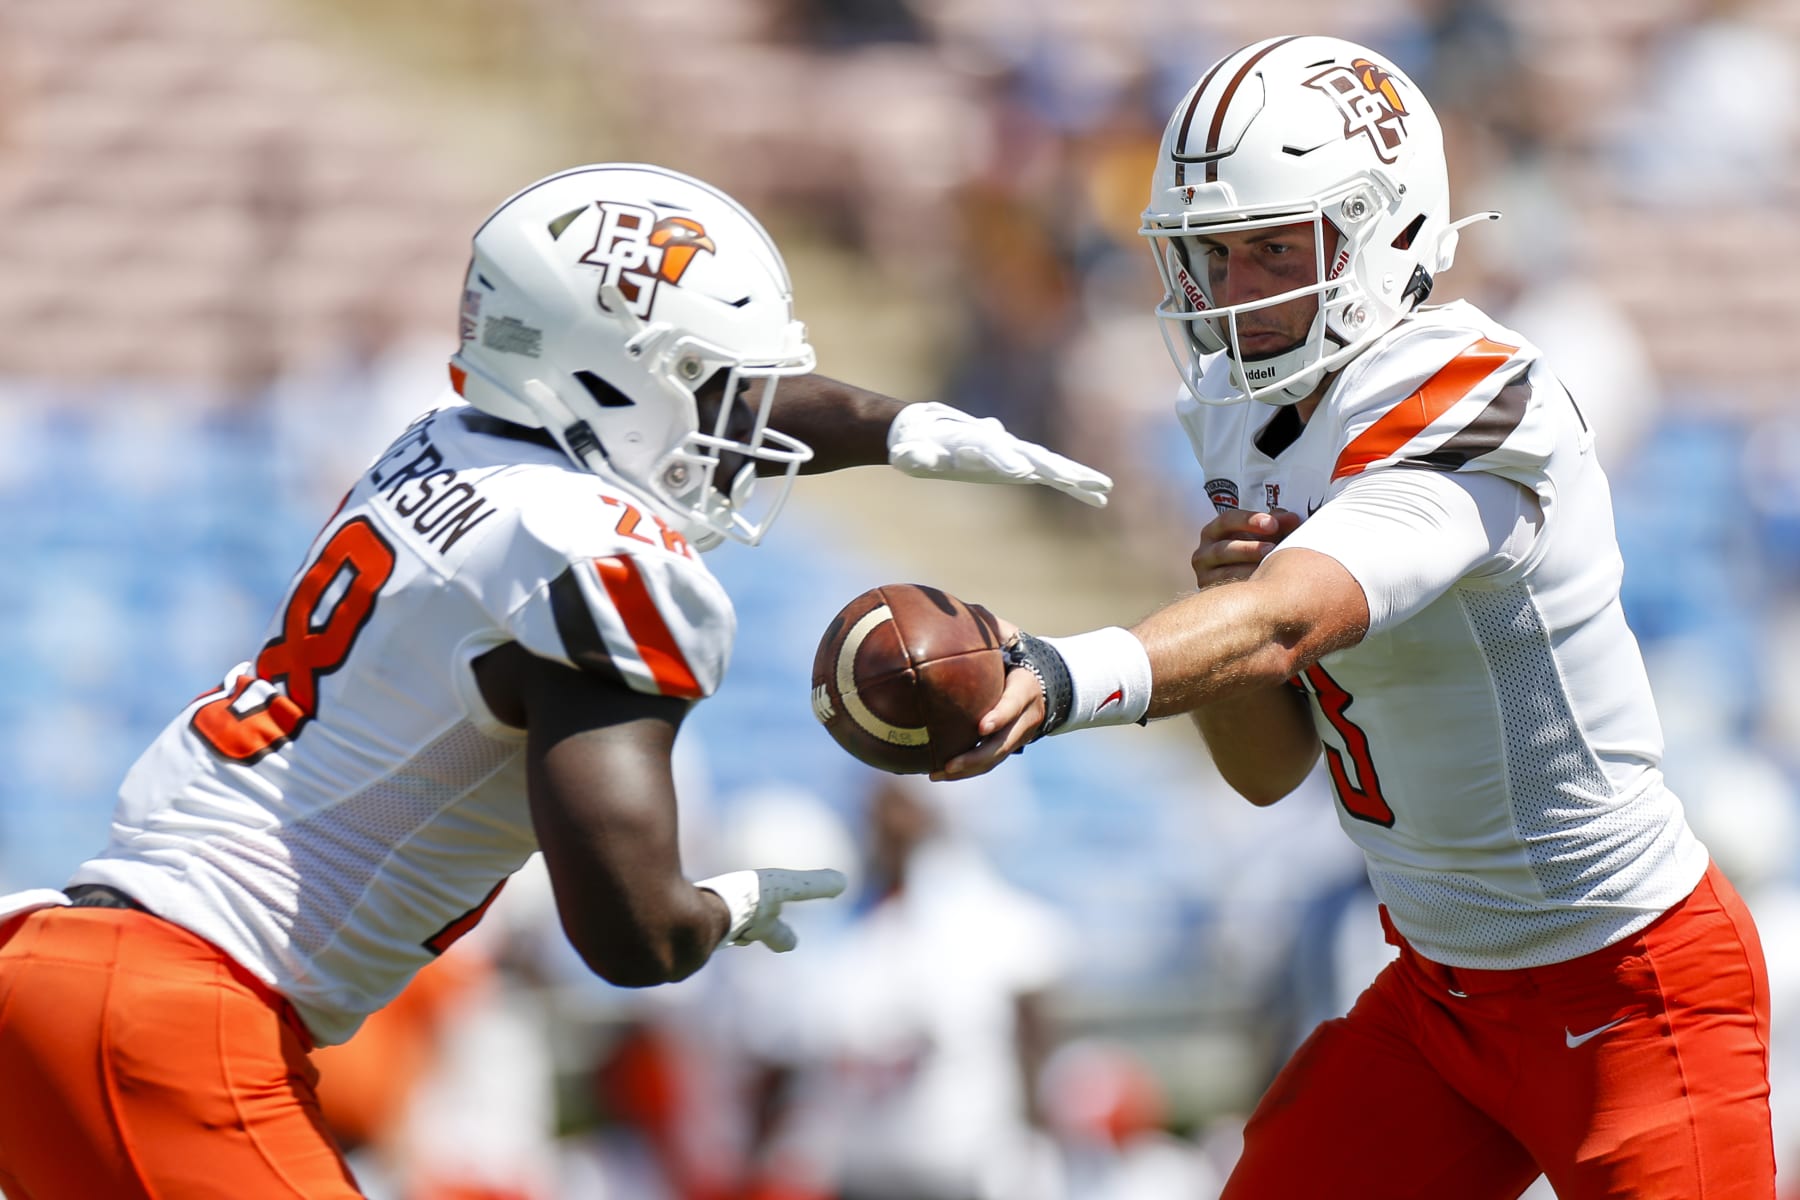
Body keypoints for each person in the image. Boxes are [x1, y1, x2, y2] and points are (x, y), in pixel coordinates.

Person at [0, 162, 1112, 1199]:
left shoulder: (447, 440)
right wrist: (730, 904)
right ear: (612, 375)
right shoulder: (600, 560)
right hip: (177, 1016)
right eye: (715, 384)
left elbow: (668, 402)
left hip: (60, 962)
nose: (745, 422)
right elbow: (632, 936)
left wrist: (897, 424)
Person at [934, 36, 1775, 1200]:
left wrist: (1062, 674)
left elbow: (1286, 625)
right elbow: (1267, 767)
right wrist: (1219, 611)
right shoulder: (1252, 409)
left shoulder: (1478, 393)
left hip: (1628, 991)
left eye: (1272, 248)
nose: (1233, 293)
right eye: (1210, 255)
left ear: (1387, 233)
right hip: (1440, 996)